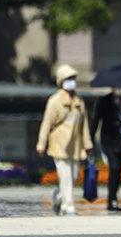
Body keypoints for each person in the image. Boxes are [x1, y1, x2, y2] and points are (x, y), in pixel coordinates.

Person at [36, 64, 94, 216]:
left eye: (73, 78)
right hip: (59, 143)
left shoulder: (79, 101)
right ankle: (68, 207)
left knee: (74, 176)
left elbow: (84, 125)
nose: (72, 81)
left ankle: (59, 197)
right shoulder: (54, 101)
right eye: (68, 79)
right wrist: (41, 143)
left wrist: (88, 144)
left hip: (75, 145)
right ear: (61, 81)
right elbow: (46, 123)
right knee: (65, 176)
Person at [90, 87, 121, 212]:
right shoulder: (104, 100)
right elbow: (96, 120)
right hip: (109, 139)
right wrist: (90, 139)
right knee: (114, 166)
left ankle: (114, 197)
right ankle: (111, 199)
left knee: (119, 169)